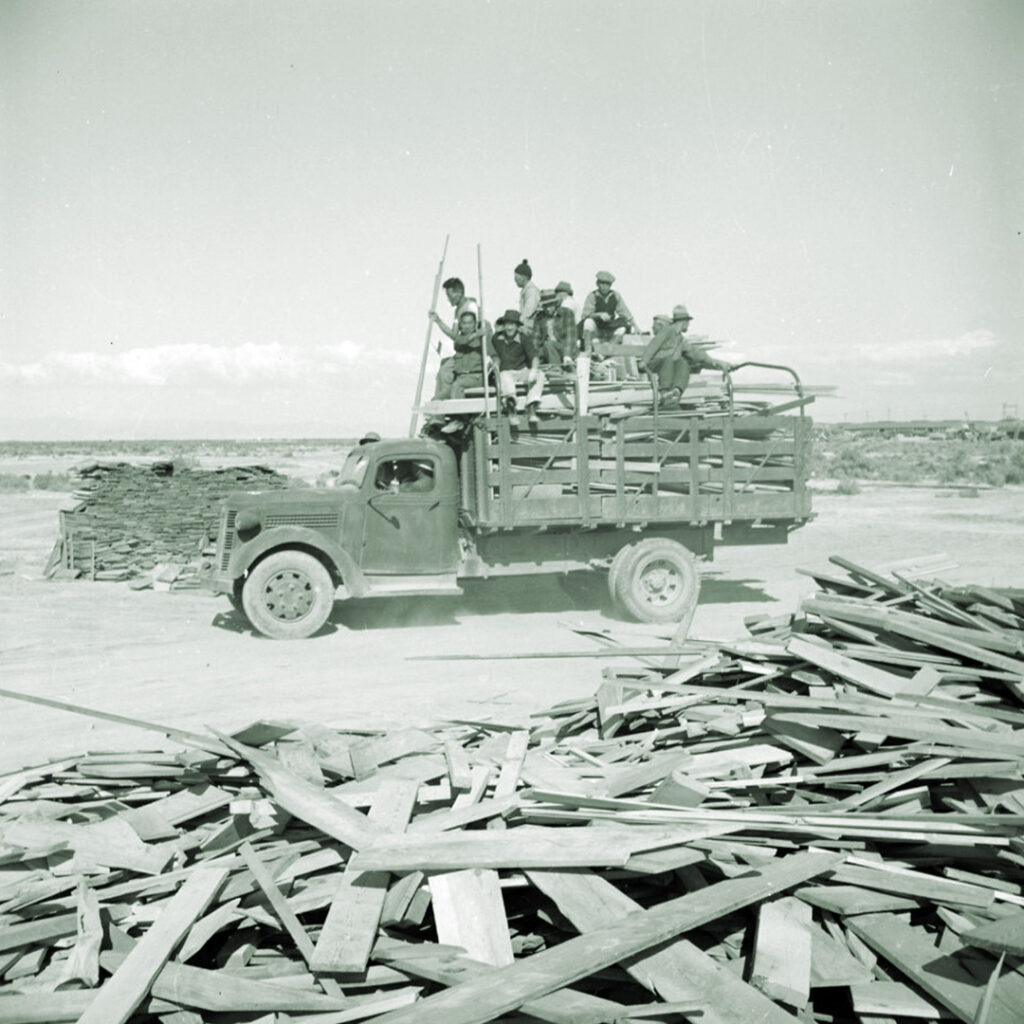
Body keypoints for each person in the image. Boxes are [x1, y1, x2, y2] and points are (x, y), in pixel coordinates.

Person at [640, 304, 731, 403]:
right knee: (668, 360)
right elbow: (654, 345)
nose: (688, 325)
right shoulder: (667, 330)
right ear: (684, 322)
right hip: (655, 365)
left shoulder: (680, 339)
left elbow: (696, 354)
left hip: (668, 368)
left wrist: (719, 363)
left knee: (683, 362)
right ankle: (665, 391)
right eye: (688, 323)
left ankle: (677, 390)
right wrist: (644, 361)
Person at [490, 310, 545, 427]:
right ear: (503, 325)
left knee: (540, 374)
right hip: (505, 373)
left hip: (521, 371)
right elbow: (492, 354)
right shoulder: (496, 338)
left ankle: (531, 407)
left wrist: (534, 370)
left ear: (517, 326)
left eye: (512, 324)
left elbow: (534, 357)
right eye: (507, 324)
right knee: (504, 375)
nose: (509, 328)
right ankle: (512, 410)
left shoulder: (524, 338)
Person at [429, 277, 480, 401]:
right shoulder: (458, 310)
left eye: (450, 295)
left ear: (459, 293)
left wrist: (439, 321)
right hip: (461, 350)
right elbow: (454, 333)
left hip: (471, 352)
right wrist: (438, 321)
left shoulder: (470, 307)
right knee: (443, 372)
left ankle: (448, 404)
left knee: (445, 372)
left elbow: (463, 336)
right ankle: (444, 403)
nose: (448, 299)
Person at [580, 270, 639, 354]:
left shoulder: (615, 295)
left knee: (622, 328)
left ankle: (608, 351)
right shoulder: (592, 295)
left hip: (609, 328)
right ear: (597, 284)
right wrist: (598, 315)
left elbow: (624, 312)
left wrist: (635, 326)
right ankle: (588, 350)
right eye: (602, 283)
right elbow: (585, 315)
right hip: (597, 329)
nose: (604, 287)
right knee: (588, 322)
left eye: (607, 284)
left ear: (610, 285)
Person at [549, 280, 580, 369]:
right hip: (572, 338)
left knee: (550, 345)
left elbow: (568, 332)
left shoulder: (567, 304)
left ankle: (557, 368)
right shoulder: (572, 302)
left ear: (564, 294)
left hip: (570, 340)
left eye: (558, 294)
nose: (557, 297)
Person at [514, 259, 541, 339]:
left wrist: (518, 323)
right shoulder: (526, 290)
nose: (515, 280)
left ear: (524, 277)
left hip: (531, 326)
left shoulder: (531, 290)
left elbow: (528, 312)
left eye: (517, 277)